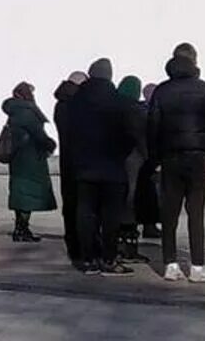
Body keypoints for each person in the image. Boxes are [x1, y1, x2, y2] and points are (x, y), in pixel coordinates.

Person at [148, 42, 205, 283]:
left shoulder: (162, 91)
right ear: (195, 61)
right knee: (196, 212)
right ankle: (197, 267)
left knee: (169, 213)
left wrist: (155, 158)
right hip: (196, 156)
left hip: (170, 156)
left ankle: (170, 264)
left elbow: (152, 127)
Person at [62, 59, 140, 275]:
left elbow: (68, 133)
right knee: (111, 215)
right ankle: (108, 259)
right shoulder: (119, 101)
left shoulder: (75, 102)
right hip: (113, 166)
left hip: (84, 166)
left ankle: (87, 259)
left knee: (85, 212)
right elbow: (131, 134)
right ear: (110, 76)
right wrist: (120, 152)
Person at [0, 82, 56, 244]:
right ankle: (22, 229)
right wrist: (50, 144)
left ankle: (20, 228)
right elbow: (39, 135)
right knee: (28, 194)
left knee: (21, 194)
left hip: (19, 160)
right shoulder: (26, 112)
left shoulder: (15, 112)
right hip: (30, 159)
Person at [52, 72, 87, 268]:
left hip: (67, 161)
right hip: (78, 162)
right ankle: (78, 249)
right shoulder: (73, 105)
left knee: (71, 205)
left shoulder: (62, 103)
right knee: (78, 206)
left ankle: (75, 246)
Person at [114, 75, 148, 261]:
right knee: (131, 202)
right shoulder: (135, 111)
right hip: (133, 161)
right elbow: (141, 137)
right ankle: (128, 247)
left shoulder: (110, 107)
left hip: (112, 160)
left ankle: (116, 244)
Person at [138, 83, 162, 241]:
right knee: (151, 194)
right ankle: (150, 225)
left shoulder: (140, 110)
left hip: (146, 157)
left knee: (151, 194)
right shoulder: (151, 112)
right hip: (147, 157)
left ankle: (150, 225)